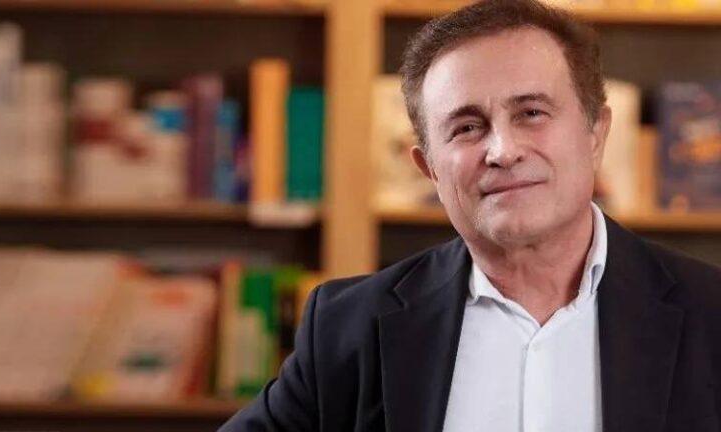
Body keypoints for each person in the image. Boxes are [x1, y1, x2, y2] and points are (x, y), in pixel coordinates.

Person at [220, 0, 721, 431]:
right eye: (466, 127)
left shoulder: (712, 315)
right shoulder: (348, 328)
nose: (502, 150)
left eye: (531, 113)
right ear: (430, 169)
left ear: (595, 134)